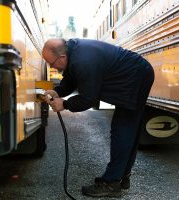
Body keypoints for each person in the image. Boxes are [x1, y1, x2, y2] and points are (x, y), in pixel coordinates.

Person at [41, 38, 154, 197]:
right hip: (135, 73)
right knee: (127, 128)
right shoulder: (72, 53)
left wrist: (64, 104)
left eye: (51, 63)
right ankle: (121, 175)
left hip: (136, 76)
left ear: (62, 57)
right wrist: (57, 92)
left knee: (123, 129)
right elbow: (71, 78)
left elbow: (89, 99)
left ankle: (112, 182)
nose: (52, 67)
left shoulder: (83, 61)